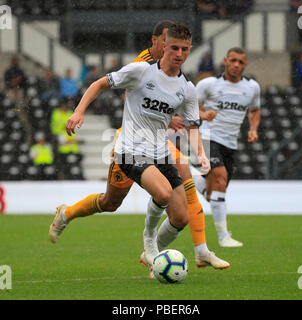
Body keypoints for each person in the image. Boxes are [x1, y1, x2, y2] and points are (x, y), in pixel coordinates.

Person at [49, 21, 230, 273]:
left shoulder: (187, 88)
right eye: (174, 48)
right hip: (130, 149)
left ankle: (191, 251)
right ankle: (148, 241)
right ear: (162, 45)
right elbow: (101, 84)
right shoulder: (141, 69)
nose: (179, 54)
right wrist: (78, 112)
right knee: (141, 197)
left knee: (180, 216)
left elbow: (191, 125)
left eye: (185, 49)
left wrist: (200, 153)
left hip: (160, 150)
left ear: (190, 50)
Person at [193, 47, 261, 247]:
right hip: (207, 137)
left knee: (212, 193)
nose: (236, 65)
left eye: (240, 62)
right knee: (221, 179)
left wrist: (253, 129)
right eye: (233, 60)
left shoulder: (252, 88)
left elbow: (255, 110)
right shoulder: (209, 84)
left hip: (231, 143)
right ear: (225, 61)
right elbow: (188, 106)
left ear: (245, 65)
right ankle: (224, 237)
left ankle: (193, 181)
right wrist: (203, 115)